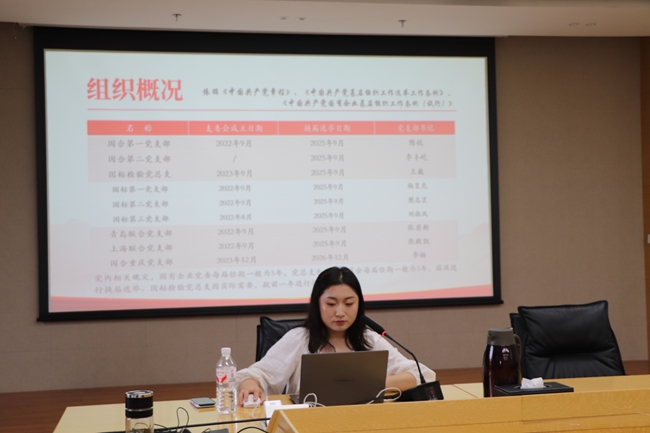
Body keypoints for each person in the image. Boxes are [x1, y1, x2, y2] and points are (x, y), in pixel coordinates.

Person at [236, 266, 436, 404]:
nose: (340, 312)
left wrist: (371, 386)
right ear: (317, 304)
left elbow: (422, 375)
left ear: (359, 304)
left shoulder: (370, 340)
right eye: (331, 304)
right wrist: (249, 385)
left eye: (349, 304)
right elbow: (254, 375)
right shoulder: (299, 339)